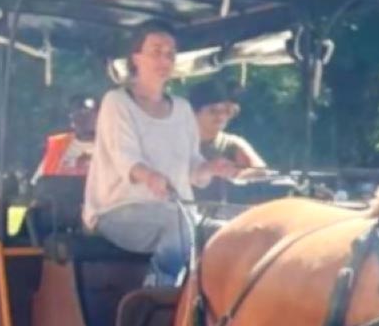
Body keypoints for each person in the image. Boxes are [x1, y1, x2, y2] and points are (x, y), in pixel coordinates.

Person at [83, 21, 238, 286]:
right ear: (136, 57)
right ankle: (159, 294)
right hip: (116, 210)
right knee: (178, 223)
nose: (164, 59)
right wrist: (149, 176)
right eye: (156, 51)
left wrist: (212, 168)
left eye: (170, 54)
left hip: (177, 212)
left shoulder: (182, 108)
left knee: (231, 234)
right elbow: (125, 158)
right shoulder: (117, 101)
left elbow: (193, 170)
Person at [187, 78, 266, 170]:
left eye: (227, 111)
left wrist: (238, 173)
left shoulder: (232, 145)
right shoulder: (176, 143)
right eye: (213, 111)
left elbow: (263, 174)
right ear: (193, 112)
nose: (221, 116)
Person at [33, 94, 98, 180]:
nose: (84, 118)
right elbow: (39, 183)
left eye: (89, 114)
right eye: (79, 113)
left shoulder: (111, 146)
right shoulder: (57, 145)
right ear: (71, 118)